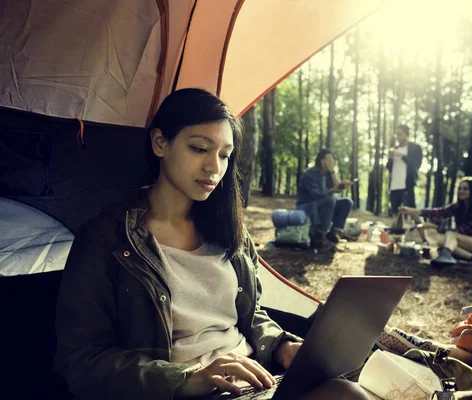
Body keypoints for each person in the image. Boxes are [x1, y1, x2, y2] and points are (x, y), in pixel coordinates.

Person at [54, 89, 369, 400]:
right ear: (160, 143)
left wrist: (282, 347)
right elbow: (81, 361)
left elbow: (250, 314)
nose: (214, 168)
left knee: (350, 390)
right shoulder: (106, 239)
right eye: (199, 149)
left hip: (257, 381)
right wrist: (187, 379)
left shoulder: (228, 231)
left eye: (224, 155)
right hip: (187, 392)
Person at [398, 176, 472, 267]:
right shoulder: (457, 206)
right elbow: (439, 212)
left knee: (450, 237)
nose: (461, 191)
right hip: (465, 245)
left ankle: (446, 255)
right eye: (460, 188)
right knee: (443, 243)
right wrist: (414, 211)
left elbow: (463, 232)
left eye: (465, 189)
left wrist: (433, 227)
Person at [296, 149, 354, 250]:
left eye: (333, 160)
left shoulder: (328, 175)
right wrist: (333, 190)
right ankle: (319, 235)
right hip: (308, 206)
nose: (332, 163)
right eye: (329, 160)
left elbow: (337, 188)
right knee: (330, 200)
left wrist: (335, 176)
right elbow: (316, 194)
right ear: (322, 161)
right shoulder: (309, 175)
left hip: (323, 204)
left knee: (347, 202)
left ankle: (333, 233)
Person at [386, 124, 422, 227]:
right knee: (396, 214)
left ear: (406, 134)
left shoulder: (415, 148)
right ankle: (397, 239)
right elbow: (389, 167)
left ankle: (424, 237)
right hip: (394, 185)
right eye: (396, 134)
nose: (397, 136)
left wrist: (401, 156)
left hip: (407, 185)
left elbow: (416, 164)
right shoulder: (395, 149)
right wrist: (390, 158)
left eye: (400, 134)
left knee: (414, 212)